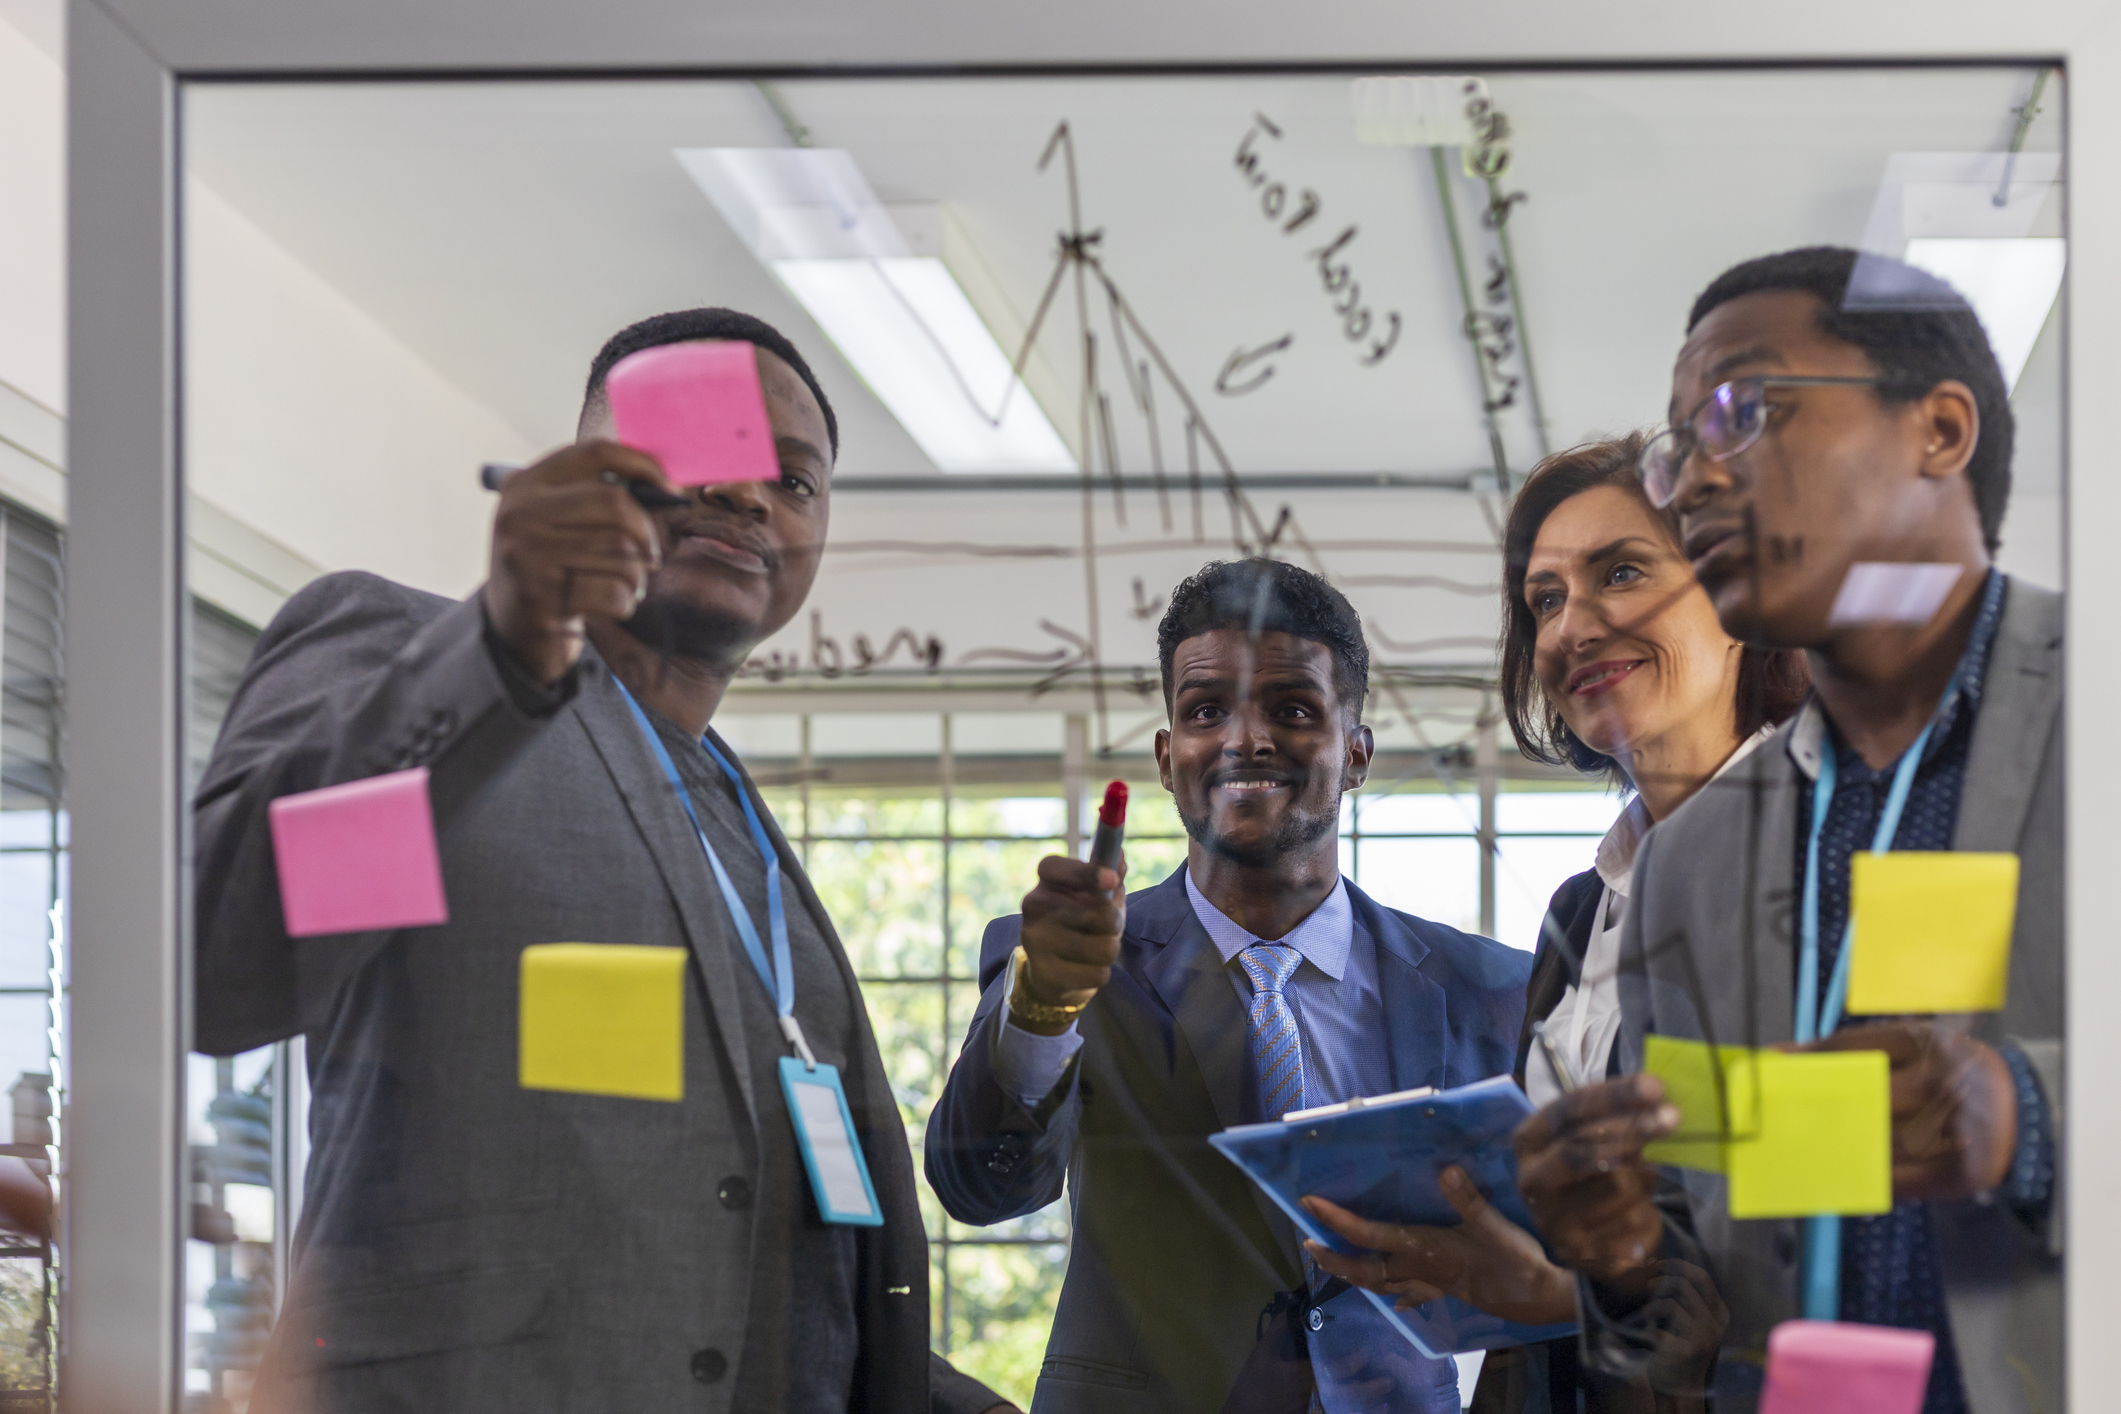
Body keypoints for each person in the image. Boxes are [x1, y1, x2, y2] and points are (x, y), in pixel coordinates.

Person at [193, 308, 1009, 1414]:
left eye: (794, 480)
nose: (743, 493)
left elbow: (789, 1273)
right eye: (698, 452)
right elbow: (224, 967)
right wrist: (500, 651)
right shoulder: (412, 660)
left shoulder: (739, 816)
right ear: (580, 472)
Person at [1517, 247, 2061, 1414]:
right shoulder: (1691, 862)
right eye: (1680, 446)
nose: (1691, 479)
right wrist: (1616, 1259)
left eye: (1745, 412)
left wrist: (2029, 1114)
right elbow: (1716, 1252)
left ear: (1941, 430)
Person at [925, 558, 1533, 1414]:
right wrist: (1041, 1010)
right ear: (1170, 759)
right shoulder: (1064, 956)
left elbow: (1539, 1261)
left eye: (1291, 708)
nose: (1245, 738)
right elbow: (980, 1190)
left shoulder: (1487, 988)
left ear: (1355, 752)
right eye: (1207, 711)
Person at [1301, 435, 1806, 1410]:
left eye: (1620, 571)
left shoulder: (1839, 855)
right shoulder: (1585, 906)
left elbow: (1861, 1224)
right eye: (1545, 599)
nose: (1574, 624)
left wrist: (1569, 1293)